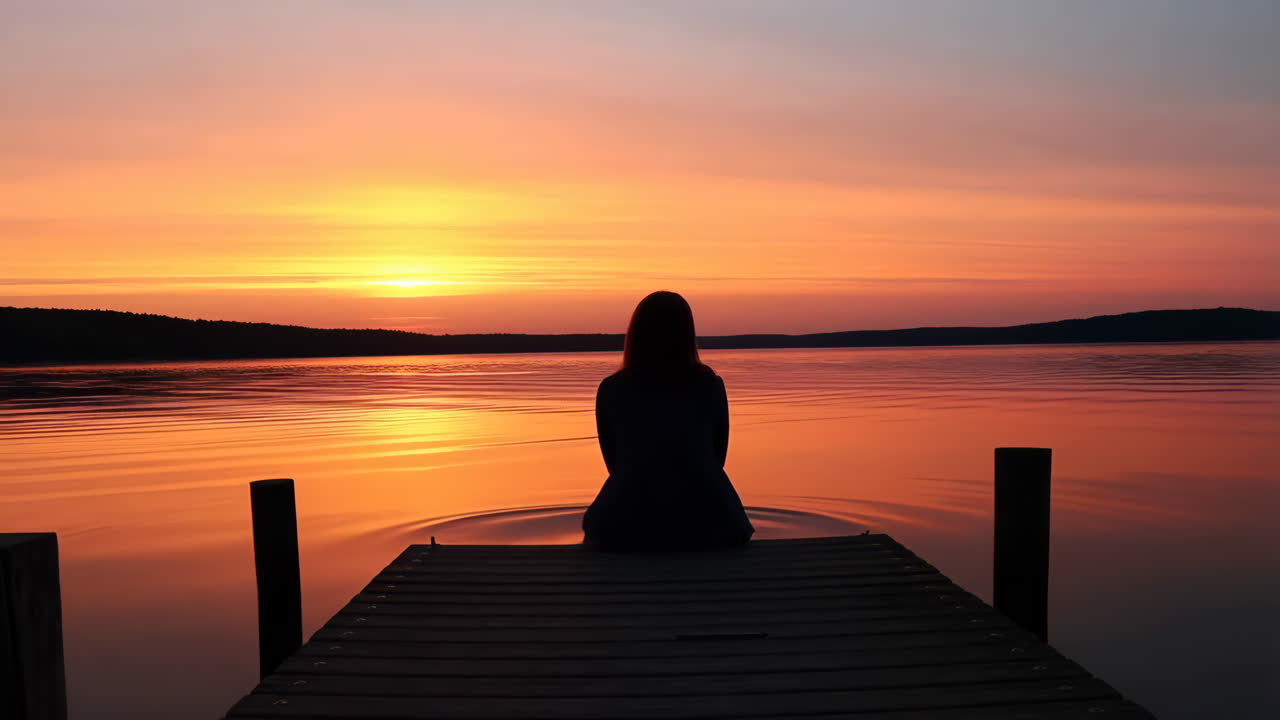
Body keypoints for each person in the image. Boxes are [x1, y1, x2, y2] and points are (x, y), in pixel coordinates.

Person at [583, 291, 755, 551]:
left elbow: (614, 463)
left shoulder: (612, 389)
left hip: (623, 523)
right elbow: (717, 456)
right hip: (712, 522)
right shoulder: (709, 385)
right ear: (688, 334)